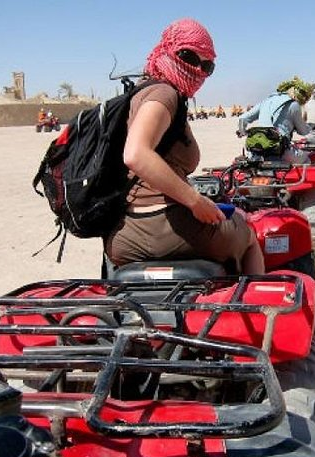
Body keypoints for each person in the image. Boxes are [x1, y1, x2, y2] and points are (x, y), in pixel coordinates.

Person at [104, 18, 264, 275]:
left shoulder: (141, 93)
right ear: (167, 49)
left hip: (126, 233)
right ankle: (258, 312)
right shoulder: (164, 94)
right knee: (250, 236)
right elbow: (135, 154)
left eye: (207, 66)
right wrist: (194, 200)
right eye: (188, 56)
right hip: (168, 228)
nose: (198, 69)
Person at [237, 77, 314, 163]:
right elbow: (303, 131)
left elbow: (242, 118)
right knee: (307, 160)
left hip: (257, 152)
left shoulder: (266, 101)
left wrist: (242, 132)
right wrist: (309, 127)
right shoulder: (293, 104)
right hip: (280, 151)